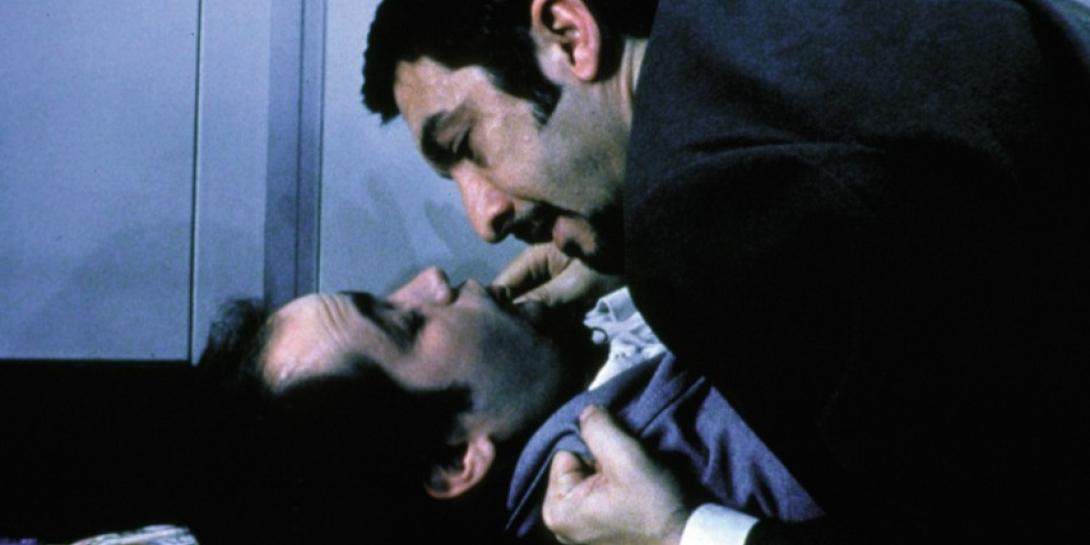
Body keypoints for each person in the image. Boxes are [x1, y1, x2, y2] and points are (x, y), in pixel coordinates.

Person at [361, 0, 1090, 543]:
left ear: (567, 33)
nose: (482, 218)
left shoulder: (696, 220)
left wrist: (682, 531)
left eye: (466, 143)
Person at [198, 268, 823, 543]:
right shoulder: (675, 450)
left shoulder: (597, 338)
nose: (432, 281)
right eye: (403, 321)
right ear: (453, 461)